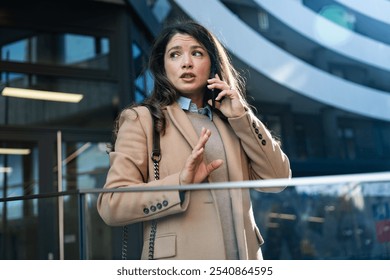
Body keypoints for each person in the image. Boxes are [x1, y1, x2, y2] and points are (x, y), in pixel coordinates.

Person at [97, 20, 291, 260]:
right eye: (175, 54)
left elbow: (278, 179)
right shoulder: (142, 119)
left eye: (197, 53)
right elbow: (111, 204)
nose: (186, 62)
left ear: (212, 65)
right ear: (163, 66)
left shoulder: (232, 122)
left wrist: (242, 116)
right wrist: (180, 183)